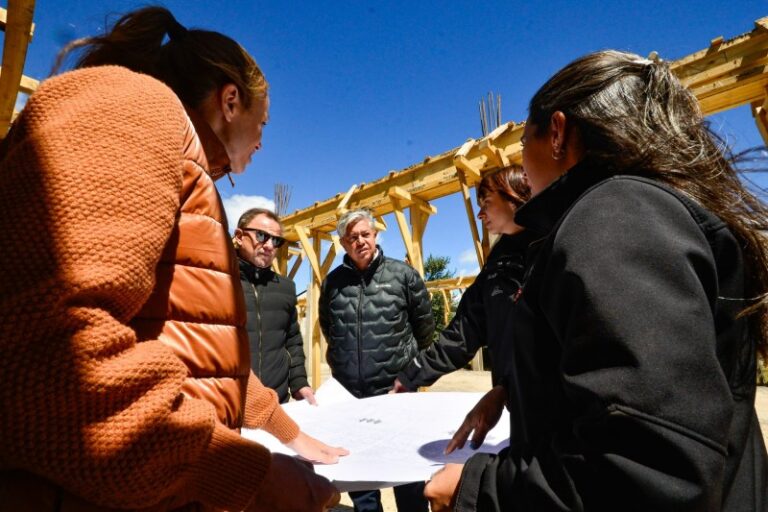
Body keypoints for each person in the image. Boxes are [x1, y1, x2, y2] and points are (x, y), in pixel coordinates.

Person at [0, 7, 345, 512]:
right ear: (230, 100)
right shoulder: (131, 108)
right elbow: (47, 352)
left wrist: (281, 425)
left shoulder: (175, 148)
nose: (263, 142)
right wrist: (242, 474)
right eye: (262, 122)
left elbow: (184, 338)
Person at [425, 50, 768, 511]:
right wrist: (513, 389)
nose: (522, 165)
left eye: (525, 139)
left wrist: (479, 488)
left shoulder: (616, 217)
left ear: (559, 133)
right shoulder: (651, 213)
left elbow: (648, 473)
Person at [391, 165, 532, 449]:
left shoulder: (558, 244)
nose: (481, 214)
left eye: (487, 204)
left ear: (514, 198)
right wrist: (413, 374)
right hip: (519, 411)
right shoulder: (498, 262)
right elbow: (464, 331)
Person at [319, 208, 435, 512]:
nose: (360, 241)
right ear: (343, 243)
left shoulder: (403, 276)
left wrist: (411, 376)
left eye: (365, 235)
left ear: (376, 236)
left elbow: (425, 330)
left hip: (396, 393)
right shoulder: (332, 283)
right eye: (352, 237)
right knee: (362, 478)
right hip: (351, 397)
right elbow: (329, 328)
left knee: (406, 475)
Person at [234, 207, 316, 404]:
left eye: (276, 240)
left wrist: (299, 383)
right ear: (238, 236)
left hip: (277, 404)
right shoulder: (217, 281)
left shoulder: (286, 288)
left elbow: (292, 340)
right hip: (231, 404)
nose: (270, 245)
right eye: (261, 235)